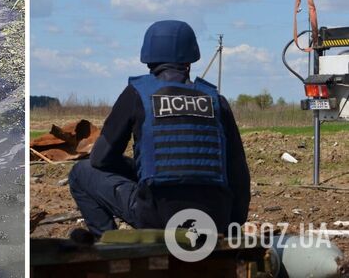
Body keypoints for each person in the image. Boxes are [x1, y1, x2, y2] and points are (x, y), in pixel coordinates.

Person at [68, 20, 250, 239]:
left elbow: (100, 159)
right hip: (214, 219)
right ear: (190, 60)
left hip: (158, 218)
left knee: (80, 173)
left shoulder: (137, 94)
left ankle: (107, 244)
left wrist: (137, 168)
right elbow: (239, 174)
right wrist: (232, 225)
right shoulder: (215, 100)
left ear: (148, 59)